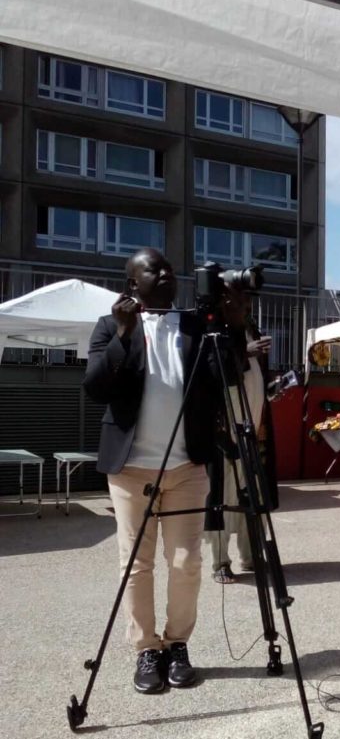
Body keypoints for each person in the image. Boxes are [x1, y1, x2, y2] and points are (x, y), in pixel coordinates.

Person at [84, 248, 239, 694]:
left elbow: (228, 376)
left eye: (170, 267)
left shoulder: (195, 324)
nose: (167, 273)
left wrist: (230, 322)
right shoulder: (110, 325)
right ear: (133, 282)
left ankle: (177, 644)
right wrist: (123, 333)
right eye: (154, 268)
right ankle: (145, 649)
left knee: (188, 561)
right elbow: (96, 386)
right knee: (136, 564)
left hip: (187, 466)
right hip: (131, 469)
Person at [205, 327, 273, 584]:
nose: (246, 306)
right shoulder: (218, 333)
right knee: (223, 501)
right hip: (226, 440)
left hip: (252, 436)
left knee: (254, 502)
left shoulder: (251, 331)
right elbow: (216, 374)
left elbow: (255, 385)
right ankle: (220, 560)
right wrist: (245, 353)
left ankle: (252, 555)